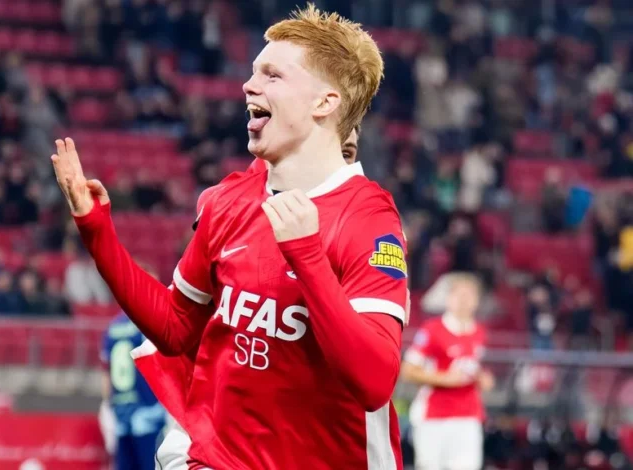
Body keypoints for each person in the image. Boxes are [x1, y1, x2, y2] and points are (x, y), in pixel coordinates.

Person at [54, 5, 406, 469]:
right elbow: (175, 328)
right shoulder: (227, 199)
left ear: (324, 103)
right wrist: (96, 229)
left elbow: (374, 382)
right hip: (215, 457)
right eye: (254, 71)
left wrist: (307, 256)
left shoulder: (368, 219)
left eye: (273, 75)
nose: (248, 85)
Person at [152, 124, 361, 469]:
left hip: (299, 439)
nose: (339, 162)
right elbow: (177, 320)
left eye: (348, 152)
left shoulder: (362, 229)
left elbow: (367, 365)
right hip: (211, 431)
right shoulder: (227, 204)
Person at [400, 273, 493, 470]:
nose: (464, 301)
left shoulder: (480, 332)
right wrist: (446, 379)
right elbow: (408, 370)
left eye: (469, 295)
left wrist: (482, 378)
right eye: (460, 295)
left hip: (468, 417)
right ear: (449, 298)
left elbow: (473, 368)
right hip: (434, 417)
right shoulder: (432, 330)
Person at [100, 265, 166, 470]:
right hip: (148, 410)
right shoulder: (148, 322)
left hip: (121, 412)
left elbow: (106, 373)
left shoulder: (113, 327)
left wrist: (107, 405)